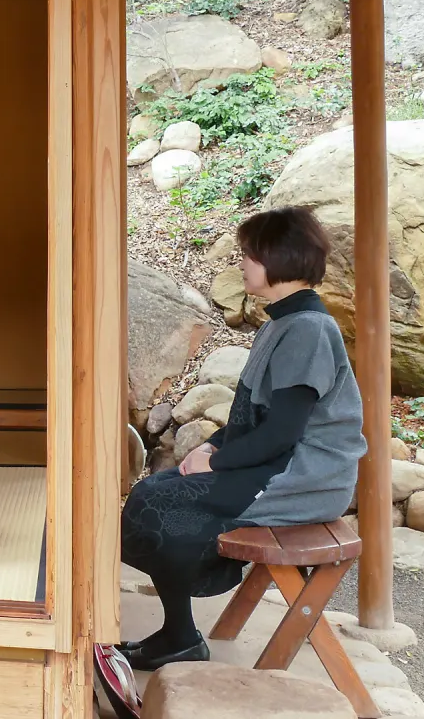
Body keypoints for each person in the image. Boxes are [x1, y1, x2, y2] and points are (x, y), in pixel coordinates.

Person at [119, 206, 366, 670]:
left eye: (249, 255)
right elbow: (253, 415)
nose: (242, 263)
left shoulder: (309, 330)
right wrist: (213, 446)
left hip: (304, 476)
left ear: (279, 257)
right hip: (276, 461)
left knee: (159, 505)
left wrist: (215, 463)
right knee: (152, 491)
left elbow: (282, 432)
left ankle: (180, 636)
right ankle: (179, 633)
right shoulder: (282, 322)